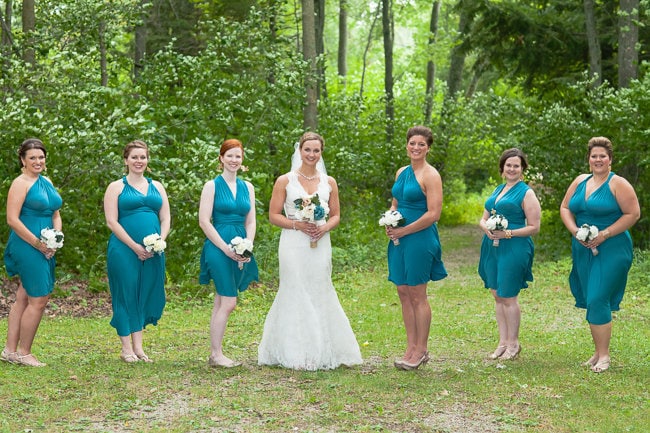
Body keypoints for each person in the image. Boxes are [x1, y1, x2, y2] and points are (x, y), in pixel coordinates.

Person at [258, 132, 362, 370]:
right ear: (300, 151)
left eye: (316, 151)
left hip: (320, 243)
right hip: (293, 243)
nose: (312, 155)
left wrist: (324, 227)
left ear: (321, 152)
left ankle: (322, 349)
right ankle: (294, 350)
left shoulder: (329, 182)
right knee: (295, 288)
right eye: (308, 150)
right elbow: (273, 215)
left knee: (319, 287)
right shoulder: (285, 181)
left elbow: (336, 215)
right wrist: (298, 224)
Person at [560, 137, 640, 373]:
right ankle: (597, 352)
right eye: (594, 156)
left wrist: (604, 234)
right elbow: (565, 208)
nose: (598, 160)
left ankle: (604, 356)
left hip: (612, 247)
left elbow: (633, 214)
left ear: (610, 160)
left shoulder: (619, 184)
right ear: (589, 159)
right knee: (592, 297)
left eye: (602, 156)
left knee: (597, 297)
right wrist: (575, 231)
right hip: (583, 248)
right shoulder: (579, 181)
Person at [386, 126, 447, 371]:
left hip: (419, 238)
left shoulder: (431, 175)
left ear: (428, 148)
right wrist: (390, 220)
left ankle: (421, 350)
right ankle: (410, 347)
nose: (416, 148)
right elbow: (396, 201)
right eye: (412, 143)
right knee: (403, 291)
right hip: (399, 238)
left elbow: (434, 213)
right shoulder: (402, 172)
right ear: (407, 145)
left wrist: (404, 230)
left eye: (421, 144)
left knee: (417, 294)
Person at [104, 140, 170, 363]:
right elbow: (112, 222)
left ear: (147, 160)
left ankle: (139, 347)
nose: (139, 161)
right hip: (124, 250)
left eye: (143, 157)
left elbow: (166, 218)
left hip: (153, 252)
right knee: (126, 292)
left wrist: (159, 241)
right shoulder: (116, 187)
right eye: (134, 157)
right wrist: (135, 247)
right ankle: (126, 348)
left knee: (145, 292)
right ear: (126, 160)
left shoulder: (157, 186)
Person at [2, 139, 62, 367]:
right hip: (27, 245)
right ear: (23, 160)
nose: (38, 161)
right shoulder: (20, 183)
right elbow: (12, 219)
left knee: (23, 297)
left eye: (41, 157)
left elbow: (55, 213)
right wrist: (38, 244)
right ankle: (24, 353)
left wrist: (56, 238)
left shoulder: (46, 181)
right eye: (32, 158)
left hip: (46, 245)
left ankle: (9, 351)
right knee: (39, 298)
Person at [199, 139, 259, 368]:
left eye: (238, 156)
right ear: (221, 158)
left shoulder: (248, 187)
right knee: (229, 301)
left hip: (240, 246)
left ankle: (214, 352)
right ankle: (217, 354)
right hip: (218, 245)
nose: (234, 160)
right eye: (230, 156)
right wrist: (225, 248)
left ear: (242, 160)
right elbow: (204, 221)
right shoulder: (211, 186)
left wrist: (247, 245)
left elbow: (251, 220)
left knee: (221, 300)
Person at [478, 148, 541, 361]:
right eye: (508, 165)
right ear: (502, 168)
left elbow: (534, 226)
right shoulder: (499, 189)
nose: (512, 169)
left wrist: (508, 233)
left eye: (516, 165)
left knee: (508, 295)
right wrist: (485, 227)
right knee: (497, 294)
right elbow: (484, 217)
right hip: (492, 245)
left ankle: (514, 343)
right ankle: (502, 342)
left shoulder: (526, 193)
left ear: (522, 169)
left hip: (515, 246)